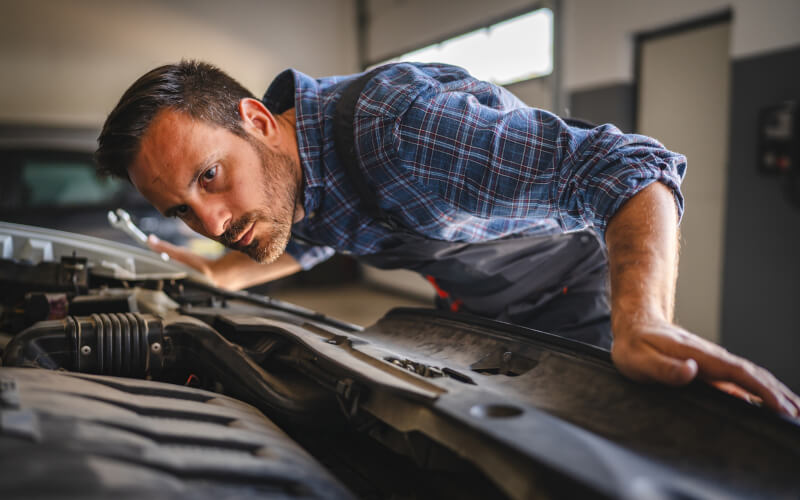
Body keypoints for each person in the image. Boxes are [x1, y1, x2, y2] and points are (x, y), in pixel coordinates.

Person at [96, 60, 799, 417]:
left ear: (255, 117)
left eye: (210, 176)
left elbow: (628, 165)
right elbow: (318, 232)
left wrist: (640, 317)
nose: (213, 222)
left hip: (578, 302)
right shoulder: (291, 172)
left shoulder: (403, 131)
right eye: (182, 210)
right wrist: (224, 274)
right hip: (482, 315)